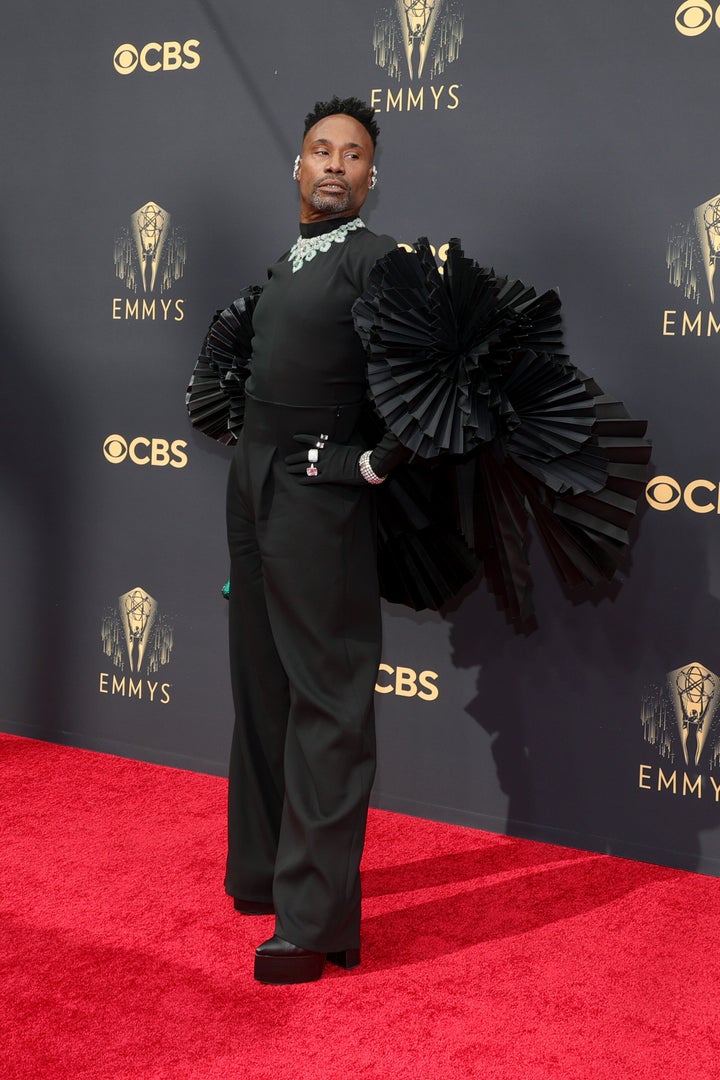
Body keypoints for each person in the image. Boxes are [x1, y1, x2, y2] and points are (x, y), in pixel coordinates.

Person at [223, 96, 408, 984]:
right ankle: (267, 876)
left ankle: (316, 921)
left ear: (373, 177)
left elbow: (440, 384)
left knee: (328, 701)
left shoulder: (379, 263)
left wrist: (366, 462)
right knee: (263, 686)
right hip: (252, 484)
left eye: (354, 155)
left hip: (314, 496)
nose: (335, 164)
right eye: (321, 150)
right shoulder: (289, 264)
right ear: (294, 168)